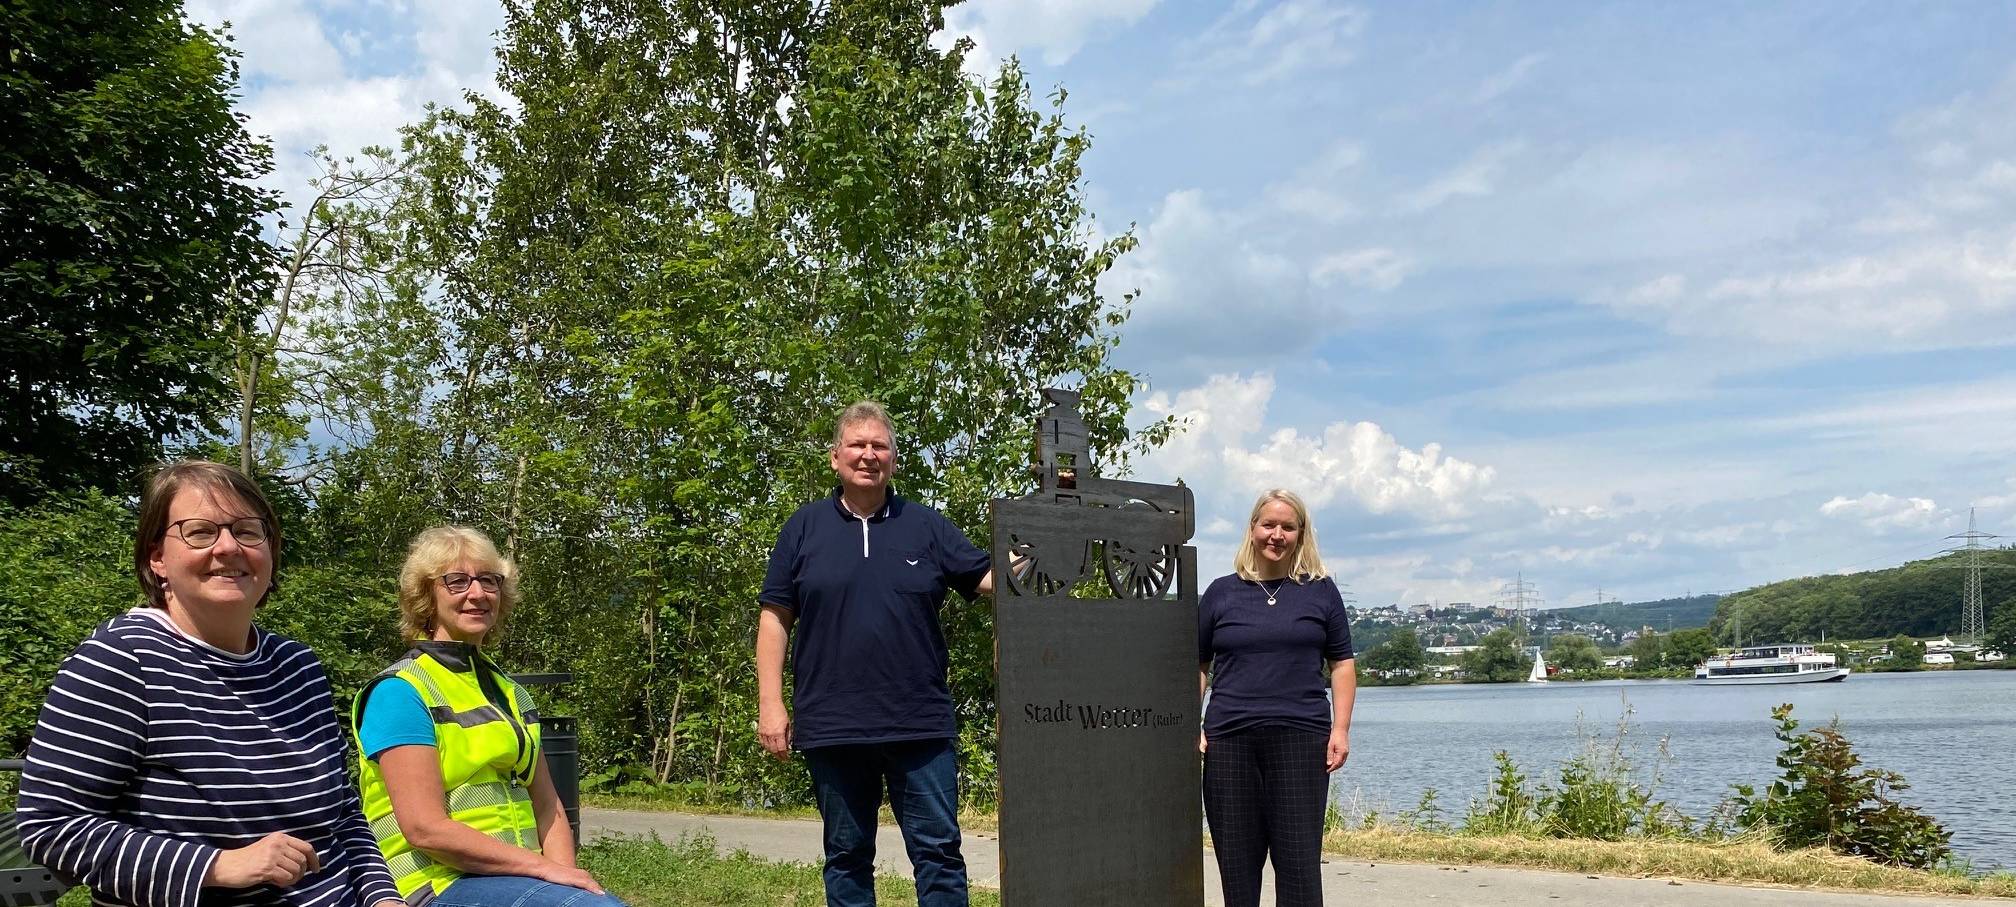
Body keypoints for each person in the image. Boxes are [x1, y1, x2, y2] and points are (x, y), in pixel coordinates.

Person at [16, 460, 404, 907]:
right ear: (156, 557)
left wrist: (382, 897)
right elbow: (51, 827)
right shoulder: (122, 660)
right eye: (200, 532)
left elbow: (345, 816)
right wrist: (215, 866)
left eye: (247, 531)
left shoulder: (298, 666)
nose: (228, 547)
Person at [756, 401, 994, 907]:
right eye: (857, 445)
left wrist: (1051, 540)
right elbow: (775, 619)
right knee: (846, 856)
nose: (868, 455)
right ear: (835, 457)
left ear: (893, 458)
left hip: (920, 727)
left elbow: (993, 579)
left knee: (940, 856)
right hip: (833, 723)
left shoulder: (927, 527)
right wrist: (770, 704)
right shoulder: (803, 528)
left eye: (879, 446)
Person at [351, 526, 621, 907]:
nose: (477, 593)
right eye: (457, 581)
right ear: (426, 595)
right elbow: (425, 829)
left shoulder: (510, 691)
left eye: (489, 581)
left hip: (513, 882)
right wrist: (543, 870)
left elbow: (548, 806)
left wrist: (566, 882)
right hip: (437, 884)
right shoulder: (399, 692)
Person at [1198, 489, 1357, 907]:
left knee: (1299, 868)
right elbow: (1197, 666)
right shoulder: (1220, 593)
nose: (1277, 534)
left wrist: (1340, 729)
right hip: (1229, 742)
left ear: (1301, 534)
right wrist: (1188, 726)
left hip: (1301, 740)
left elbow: (1342, 664)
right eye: (1269, 524)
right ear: (1252, 529)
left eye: (1288, 527)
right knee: (1237, 869)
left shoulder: (1321, 592)